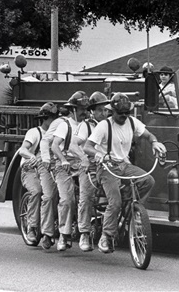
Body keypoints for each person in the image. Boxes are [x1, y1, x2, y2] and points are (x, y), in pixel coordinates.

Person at [84, 93, 166, 254]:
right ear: (112, 111)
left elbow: (148, 135)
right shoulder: (104, 126)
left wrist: (155, 142)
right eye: (120, 113)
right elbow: (87, 147)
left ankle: (130, 207)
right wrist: (99, 155)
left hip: (124, 165)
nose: (123, 116)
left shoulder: (132, 122)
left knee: (148, 180)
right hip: (106, 167)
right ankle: (106, 236)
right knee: (114, 202)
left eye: (126, 113)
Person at [50, 91, 90, 251]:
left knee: (86, 196)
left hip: (81, 163)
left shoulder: (87, 125)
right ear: (73, 109)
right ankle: (63, 234)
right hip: (64, 163)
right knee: (67, 199)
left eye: (86, 110)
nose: (84, 113)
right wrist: (63, 159)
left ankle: (84, 233)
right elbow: (54, 145)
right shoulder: (64, 125)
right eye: (81, 110)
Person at [73, 91, 109, 251]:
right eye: (99, 110)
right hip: (89, 166)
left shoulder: (110, 125)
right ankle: (84, 233)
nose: (103, 113)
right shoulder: (85, 126)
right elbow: (74, 144)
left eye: (105, 109)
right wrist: (85, 159)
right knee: (86, 197)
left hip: (107, 166)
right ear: (91, 111)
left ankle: (108, 233)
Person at [18, 102, 58, 244]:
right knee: (37, 191)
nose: (55, 121)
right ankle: (32, 227)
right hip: (31, 169)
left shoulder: (58, 134)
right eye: (52, 118)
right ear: (45, 118)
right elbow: (22, 150)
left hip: (50, 170)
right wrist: (32, 157)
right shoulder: (35, 132)